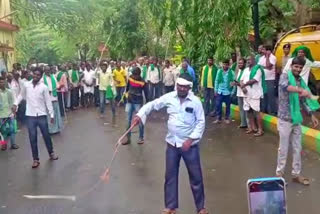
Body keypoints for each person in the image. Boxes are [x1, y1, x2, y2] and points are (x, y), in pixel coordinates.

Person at [131, 73, 208, 214]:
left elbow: (201, 123)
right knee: (170, 176)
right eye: (179, 86)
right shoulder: (170, 97)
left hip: (189, 145)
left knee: (196, 177)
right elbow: (153, 104)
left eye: (185, 87)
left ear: (189, 88)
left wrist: (191, 139)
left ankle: (201, 208)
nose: (181, 89)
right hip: (172, 144)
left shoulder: (196, 102)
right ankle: (171, 207)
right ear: (176, 85)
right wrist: (139, 115)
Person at [276, 57, 319, 185]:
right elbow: (286, 87)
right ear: (292, 66)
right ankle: (279, 175)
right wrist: (301, 90)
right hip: (285, 119)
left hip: (296, 119)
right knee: (283, 149)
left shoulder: (300, 80)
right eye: (296, 67)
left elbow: (303, 100)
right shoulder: (284, 76)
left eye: (300, 68)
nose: (298, 69)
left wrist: (311, 114)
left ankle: (296, 174)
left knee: (297, 147)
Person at [13, 68, 58, 168]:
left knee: (46, 135)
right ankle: (35, 159)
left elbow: (48, 101)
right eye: (34, 74)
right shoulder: (26, 85)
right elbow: (21, 95)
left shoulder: (44, 87)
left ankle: (51, 153)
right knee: (32, 138)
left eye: (38, 75)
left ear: (41, 76)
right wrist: (15, 104)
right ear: (32, 74)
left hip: (41, 115)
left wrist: (51, 114)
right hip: (30, 116)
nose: (36, 76)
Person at [122, 67, 148, 145]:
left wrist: (147, 104)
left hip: (138, 102)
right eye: (132, 74)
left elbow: (146, 93)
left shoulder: (143, 82)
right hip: (129, 101)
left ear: (139, 75)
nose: (133, 76)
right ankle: (128, 139)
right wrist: (125, 96)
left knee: (140, 120)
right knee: (128, 120)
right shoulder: (130, 78)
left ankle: (141, 138)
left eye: (135, 75)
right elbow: (127, 88)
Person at [241, 55, 266, 137]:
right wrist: (243, 87)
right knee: (248, 111)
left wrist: (244, 84)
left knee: (256, 112)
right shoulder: (245, 70)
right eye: (247, 60)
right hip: (246, 94)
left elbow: (255, 80)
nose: (248, 61)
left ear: (254, 60)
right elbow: (241, 80)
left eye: (250, 59)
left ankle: (260, 130)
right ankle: (252, 128)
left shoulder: (258, 69)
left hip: (255, 94)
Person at [42, 65, 63, 134]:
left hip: (54, 98)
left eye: (49, 70)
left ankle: (56, 129)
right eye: (46, 70)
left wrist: (59, 87)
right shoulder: (42, 79)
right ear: (44, 71)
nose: (48, 72)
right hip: (47, 100)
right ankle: (50, 130)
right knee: (49, 115)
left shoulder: (53, 76)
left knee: (55, 114)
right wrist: (46, 91)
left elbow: (57, 85)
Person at [213, 59, 235, 124]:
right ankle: (218, 118)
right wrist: (215, 90)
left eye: (226, 64)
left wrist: (232, 92)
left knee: (228, 106)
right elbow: (216, 81)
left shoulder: (232, 72)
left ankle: (227, 118)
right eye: (224, 64)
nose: (224, 66)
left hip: (228, 92)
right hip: (220, 91)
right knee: (218, 105)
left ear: (228, 65)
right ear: (222, 64)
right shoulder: (219, 71)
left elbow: (234, 83)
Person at [0, 76, 18, 151]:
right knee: (2, 131)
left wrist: (14, 112)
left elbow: (12, 102)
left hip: (10, 114)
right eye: (0, 82)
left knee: (12, 129)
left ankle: (13, 144)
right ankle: (3, 144)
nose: (2, 83)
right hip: (1, 115)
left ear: (5, 82)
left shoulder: (9, 91)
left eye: (3, 82)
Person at [258, 45, 277, 115]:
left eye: (264, 49)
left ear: (268, 51)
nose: (262, 51)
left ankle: (273, 111)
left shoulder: (273, 57)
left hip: (270, 79)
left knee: (270, 95)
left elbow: (269, 66)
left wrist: (268, 57)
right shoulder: (261, 58)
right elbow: (259, 67)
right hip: (262, 79)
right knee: (263, 95)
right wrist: (265, 67)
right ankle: (264, 110)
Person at [234, 58, 248, 128]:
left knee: (246, 109)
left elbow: (244, 83)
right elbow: (239, 81)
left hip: (245, 93)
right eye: (239, 63)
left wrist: (238, 83)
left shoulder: (246, 71)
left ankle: (248, 125)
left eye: (241, 63)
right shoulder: (239, 71)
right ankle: (243, 123)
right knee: (241, 109)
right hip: (239, 92)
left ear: (244, 64)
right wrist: (235, 83)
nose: (239, 64)